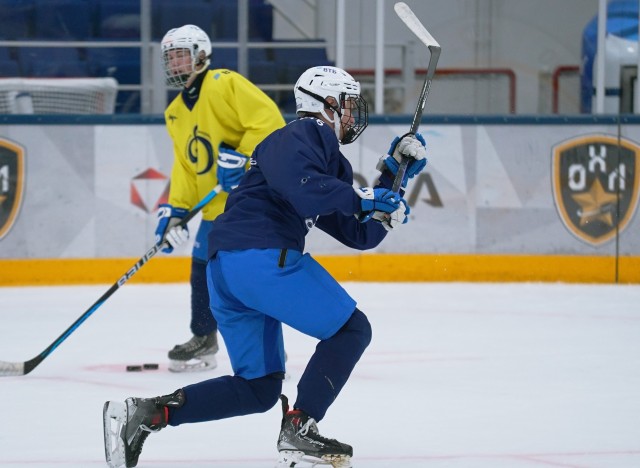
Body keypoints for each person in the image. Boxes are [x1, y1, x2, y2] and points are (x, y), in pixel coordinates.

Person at [103, 66, 427, 468]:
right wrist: (366, 198)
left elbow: (360, 234)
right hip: (259, 259)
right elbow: (308, 189)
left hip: (229, 270)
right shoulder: (301, 134)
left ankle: (148, 413)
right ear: (326, 104)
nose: (350, 116)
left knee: (258, 388)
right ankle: (300, 427)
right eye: (346, 106)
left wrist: (395, 175)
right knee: (352, 329)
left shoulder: (322, 159)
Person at [154, 24, 285, 372]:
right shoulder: (175, 112)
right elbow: (185, 166)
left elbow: (270, 122)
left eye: (181, 55)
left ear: (201, 54)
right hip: (215, 207)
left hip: (249, 199)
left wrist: (243, 157)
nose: (175, 64)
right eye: (170, 58)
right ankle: (203, 337)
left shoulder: (224, 83)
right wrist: (175, 211)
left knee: (246, 274)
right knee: (203, 270)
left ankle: (268, 347)